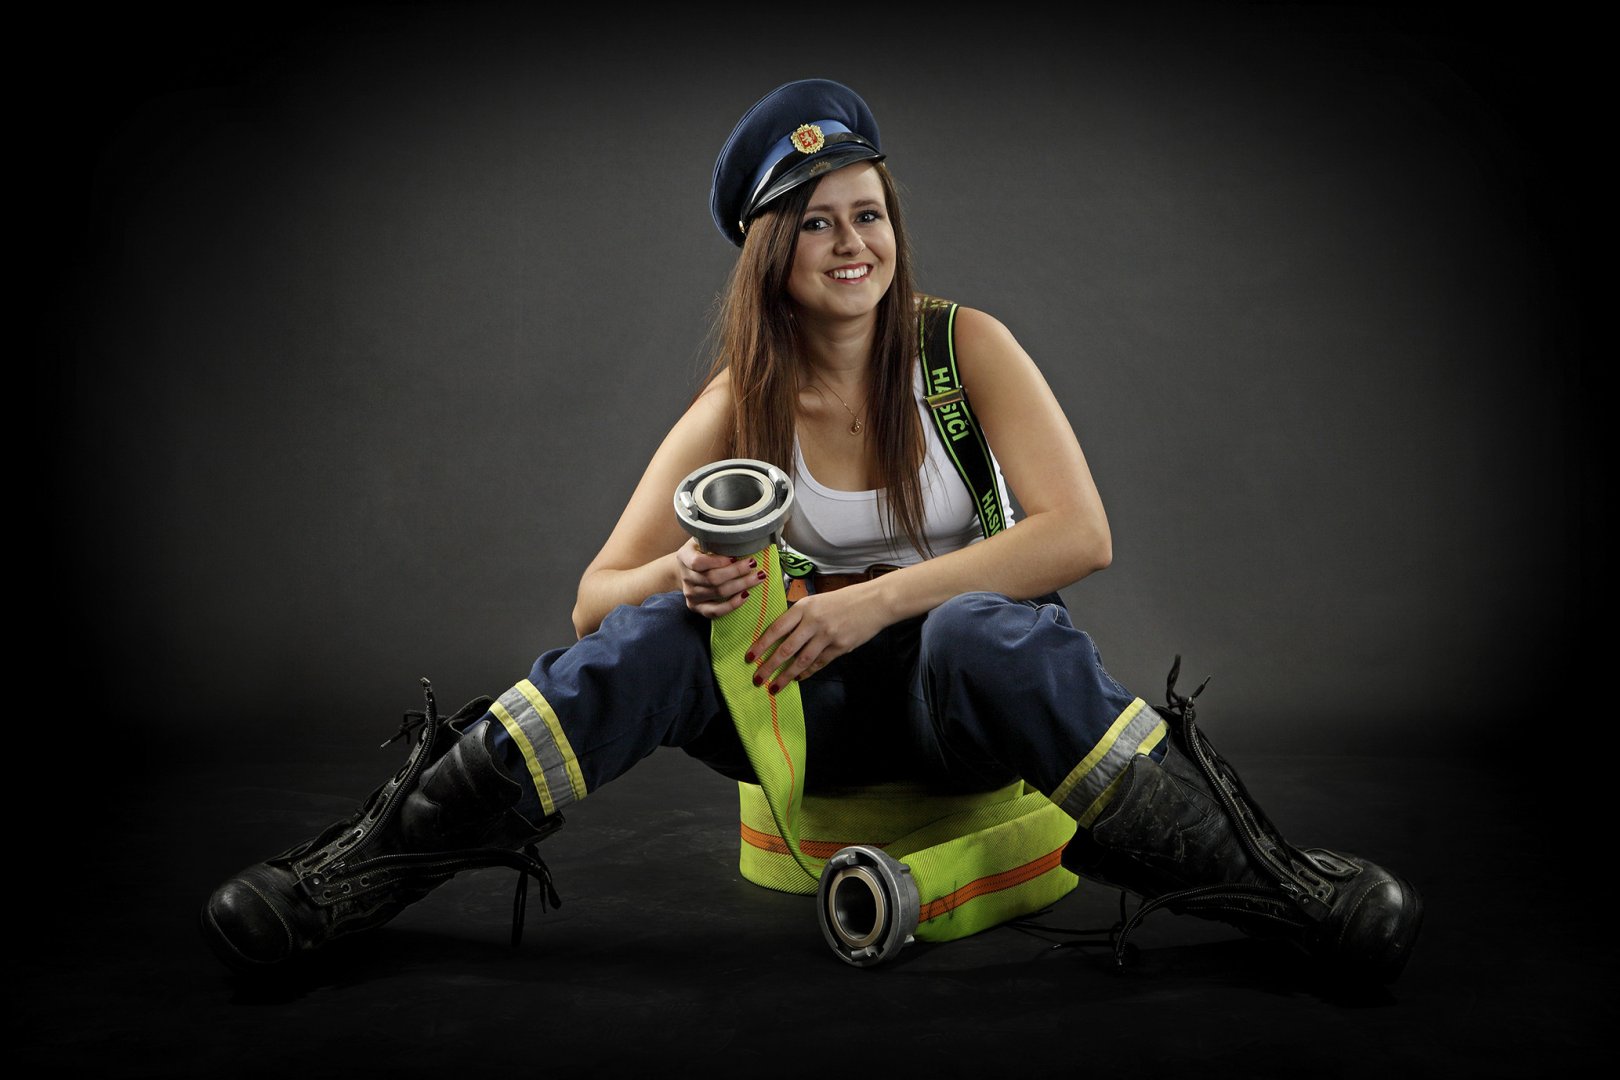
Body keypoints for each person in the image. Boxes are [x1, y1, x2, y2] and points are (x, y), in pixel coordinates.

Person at [201, 78, 1422, 983]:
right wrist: (685, 574)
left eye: (869, 214)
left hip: (965, 709)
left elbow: (1079, 535)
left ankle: (1279, 892)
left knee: (983, 629)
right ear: (769, 250)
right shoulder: (742, 402)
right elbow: (592, 600)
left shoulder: (964, 349)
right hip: (801, 726)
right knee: (656, 637)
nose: (855, 246)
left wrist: (873, 601)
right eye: (820, 223)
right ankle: (358, 877)